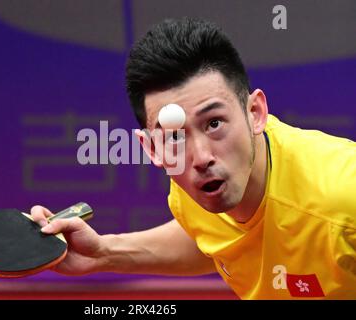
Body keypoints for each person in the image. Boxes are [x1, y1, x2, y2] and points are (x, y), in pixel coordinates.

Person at [31, 18, 356, 299]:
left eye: (214, 123)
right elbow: (213, 237)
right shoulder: (197, 191)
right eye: (174, 136)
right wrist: (104, 253)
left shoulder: (343, 200)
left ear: (255, 113)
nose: (200, 157)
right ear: (153, 149)